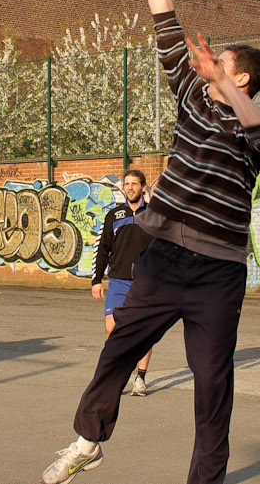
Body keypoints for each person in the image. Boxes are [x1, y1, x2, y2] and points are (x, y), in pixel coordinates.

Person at [42, 0, 260, 484]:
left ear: (242, 79)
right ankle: (88, 440)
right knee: (118, 348)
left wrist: (222, 84)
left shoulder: (253, 128)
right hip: (164, 258)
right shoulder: (193, 97)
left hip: (218, 274)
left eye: (222, 65)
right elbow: (165, 24)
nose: (209, 66)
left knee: (213, 383)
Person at [90, 169, 156, 398]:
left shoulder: (154, 216)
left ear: (143, 187)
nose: (130, 187)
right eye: (127, 184)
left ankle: (140, 378)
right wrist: (96, 280)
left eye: (134, 184)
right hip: (118, 281)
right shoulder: (114, 215)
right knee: (111, 327)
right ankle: (115, 374)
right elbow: (102, 249)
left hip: (146, 283)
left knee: (144, 332)